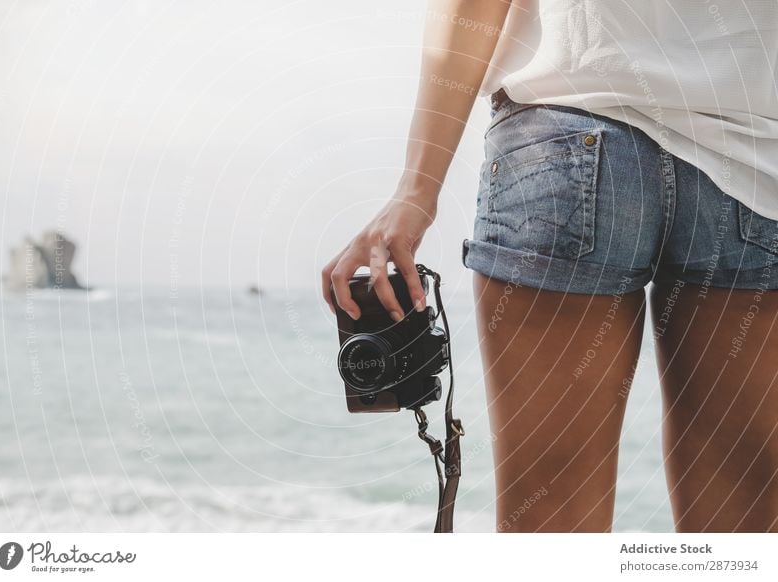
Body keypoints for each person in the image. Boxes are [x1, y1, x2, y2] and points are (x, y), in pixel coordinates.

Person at [321, 0, 778, 532]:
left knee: (549, 514)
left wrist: (418, 187)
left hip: (564, 139)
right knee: (744, 518)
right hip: (755, 155)